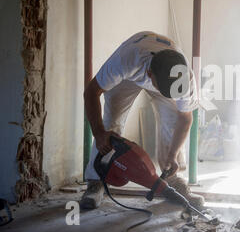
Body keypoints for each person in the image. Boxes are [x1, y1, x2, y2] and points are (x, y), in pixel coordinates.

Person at [80, 31, 204, 209]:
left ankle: (172, 178)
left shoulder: (185, 77)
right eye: (160, 88)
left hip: (161, 75)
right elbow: (91, 92)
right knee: (111, 120)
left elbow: (185, 119)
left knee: (172, 120)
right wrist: (99, 133)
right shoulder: (125, 60)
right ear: (149, 74)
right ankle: (95, 181)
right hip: (129, 75)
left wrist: (173, 154)